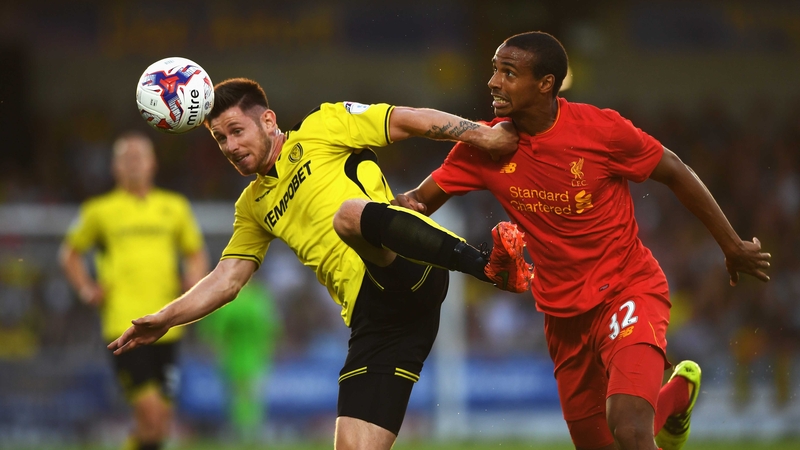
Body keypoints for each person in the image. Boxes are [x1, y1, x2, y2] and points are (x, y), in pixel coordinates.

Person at [393, 32, 772, 450]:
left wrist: (732, 245)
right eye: (494, 70)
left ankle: (661, 407)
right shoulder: (483, 146)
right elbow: (416, 203)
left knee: (628, 427)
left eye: (508, 72)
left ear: (546, 84)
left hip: (628, 290)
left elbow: (675, 170)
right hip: (563, 315)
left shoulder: (600, 130)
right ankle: (676, 397)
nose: (493, 82)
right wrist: (359, 212)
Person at [107, 77, 531, 450]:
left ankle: (486, 265)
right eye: (220, 139)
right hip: (377, 319)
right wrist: (166, 316)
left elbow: (409, 119)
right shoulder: (252, 206)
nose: (230, 147)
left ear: (268, 121)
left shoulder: (324, 125)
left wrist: (484, 135)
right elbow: (228, 279)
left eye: (236, 131)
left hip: (408, 265)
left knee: (347, 215)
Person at [60, 131, 209, 450]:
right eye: (126, 158)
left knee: (158, 423)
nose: (133, 164)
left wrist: (194, 278)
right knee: (151, 411)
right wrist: (87, 289)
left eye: (139, 157)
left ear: (153, 163)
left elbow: (195, 252)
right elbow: (69, 253)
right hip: (123, 326)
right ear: (114, 167)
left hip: (168, 324)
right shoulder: (99, 210)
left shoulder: (174, 207)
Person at [197, 280, 281, 442]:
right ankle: (254, 431)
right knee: (254, 396)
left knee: (235, 397)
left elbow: (215, 330)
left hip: (232, 356)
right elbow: (272, 328)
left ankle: (237, 432)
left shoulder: (229, 301)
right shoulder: (259, 300)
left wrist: (214, 347)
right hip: (257, 357)